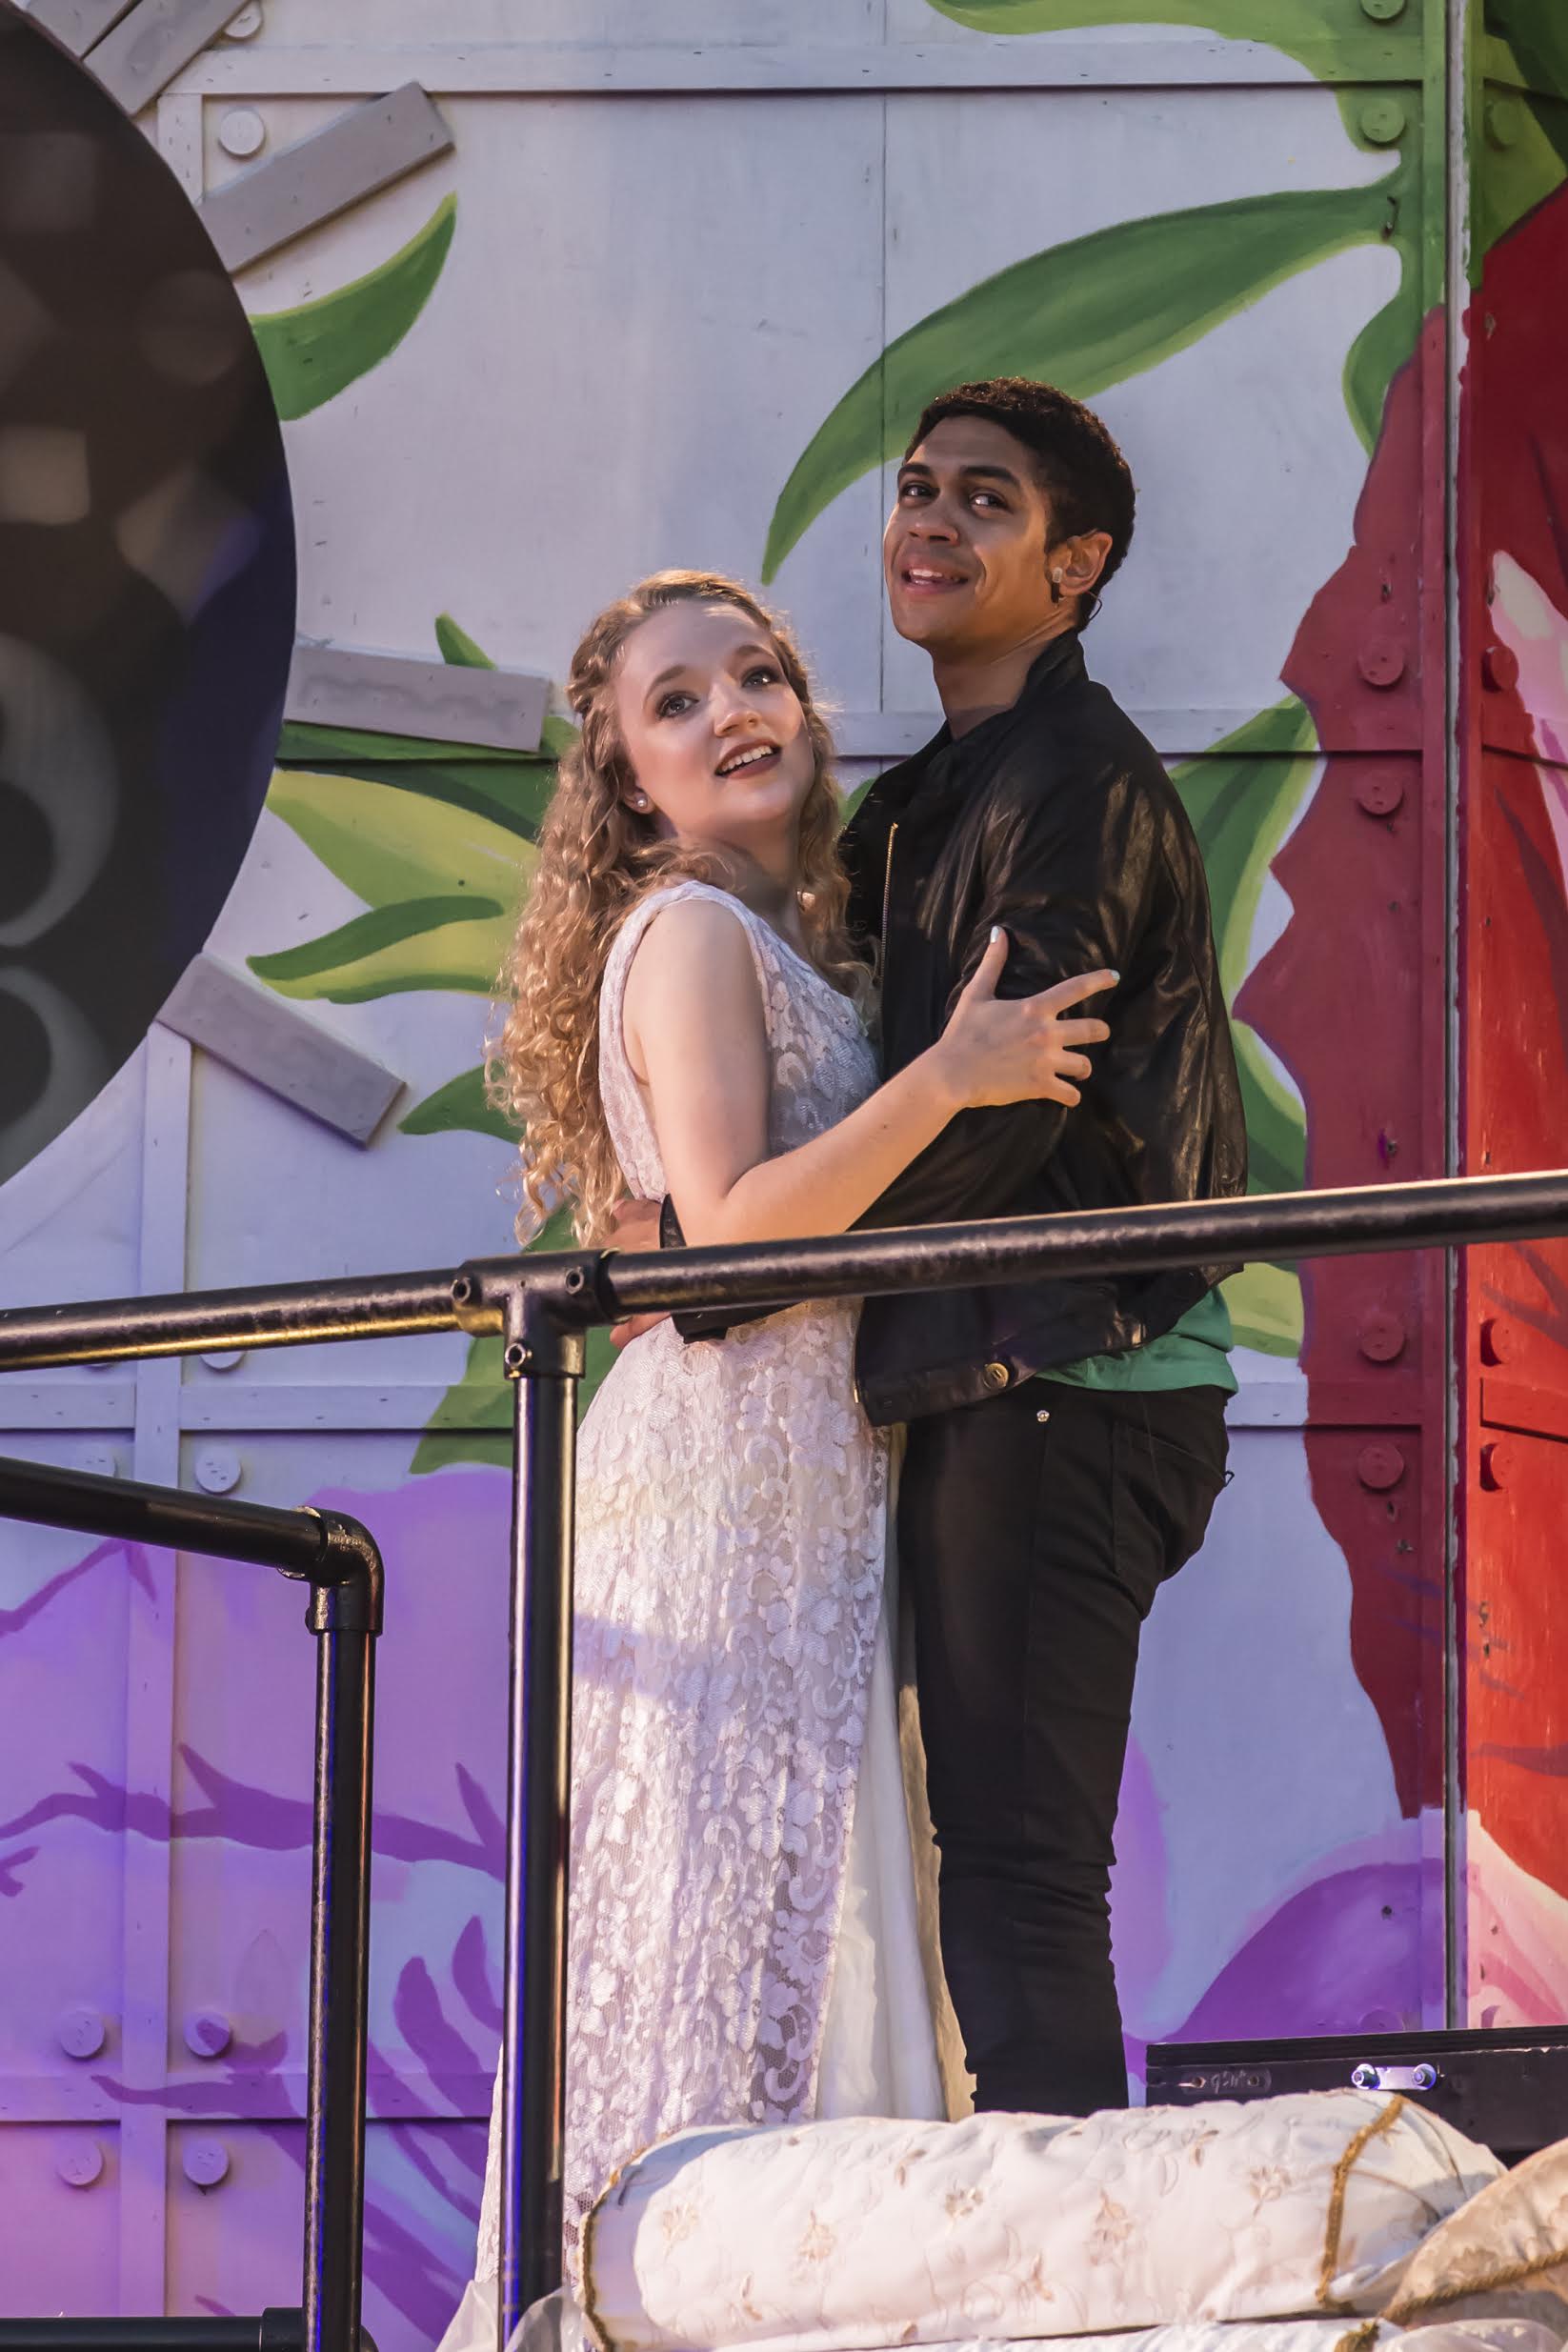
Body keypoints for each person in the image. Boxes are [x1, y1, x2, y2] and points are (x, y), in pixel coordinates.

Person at [440, 568, 1116, 2344]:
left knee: (814, 1895)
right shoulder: (684, 934)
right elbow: (726, 1237)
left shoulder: (798, 942)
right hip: (718, 1485)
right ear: (628, 782)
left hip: (811, 1477)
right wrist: (952, 1080)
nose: (731, 708)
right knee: (707, 1910)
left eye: (755, 675)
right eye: (675, 701)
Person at [655, 379, 1247, 2122]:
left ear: (1075, 568)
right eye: (916, 489)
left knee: (1014, 1875)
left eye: (984, 503)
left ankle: (1060, 2274)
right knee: (973, 1874)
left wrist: (735, 1266)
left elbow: (1001, 1112)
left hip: (1071, 1366)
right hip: (995, 1366)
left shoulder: (1071, 781)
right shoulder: (930, 798)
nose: (927, 520)